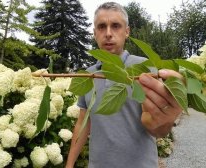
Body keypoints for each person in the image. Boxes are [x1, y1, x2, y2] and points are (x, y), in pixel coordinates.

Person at [66, 2, 182, 168]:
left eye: (115, 26)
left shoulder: (145, 69)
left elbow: (157, 129)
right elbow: (83, 123)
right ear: (94, 33)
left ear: (126, 32)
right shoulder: (88, 75)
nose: (108, 33)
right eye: (101, 27)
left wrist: (167, 119)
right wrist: (69, 165)